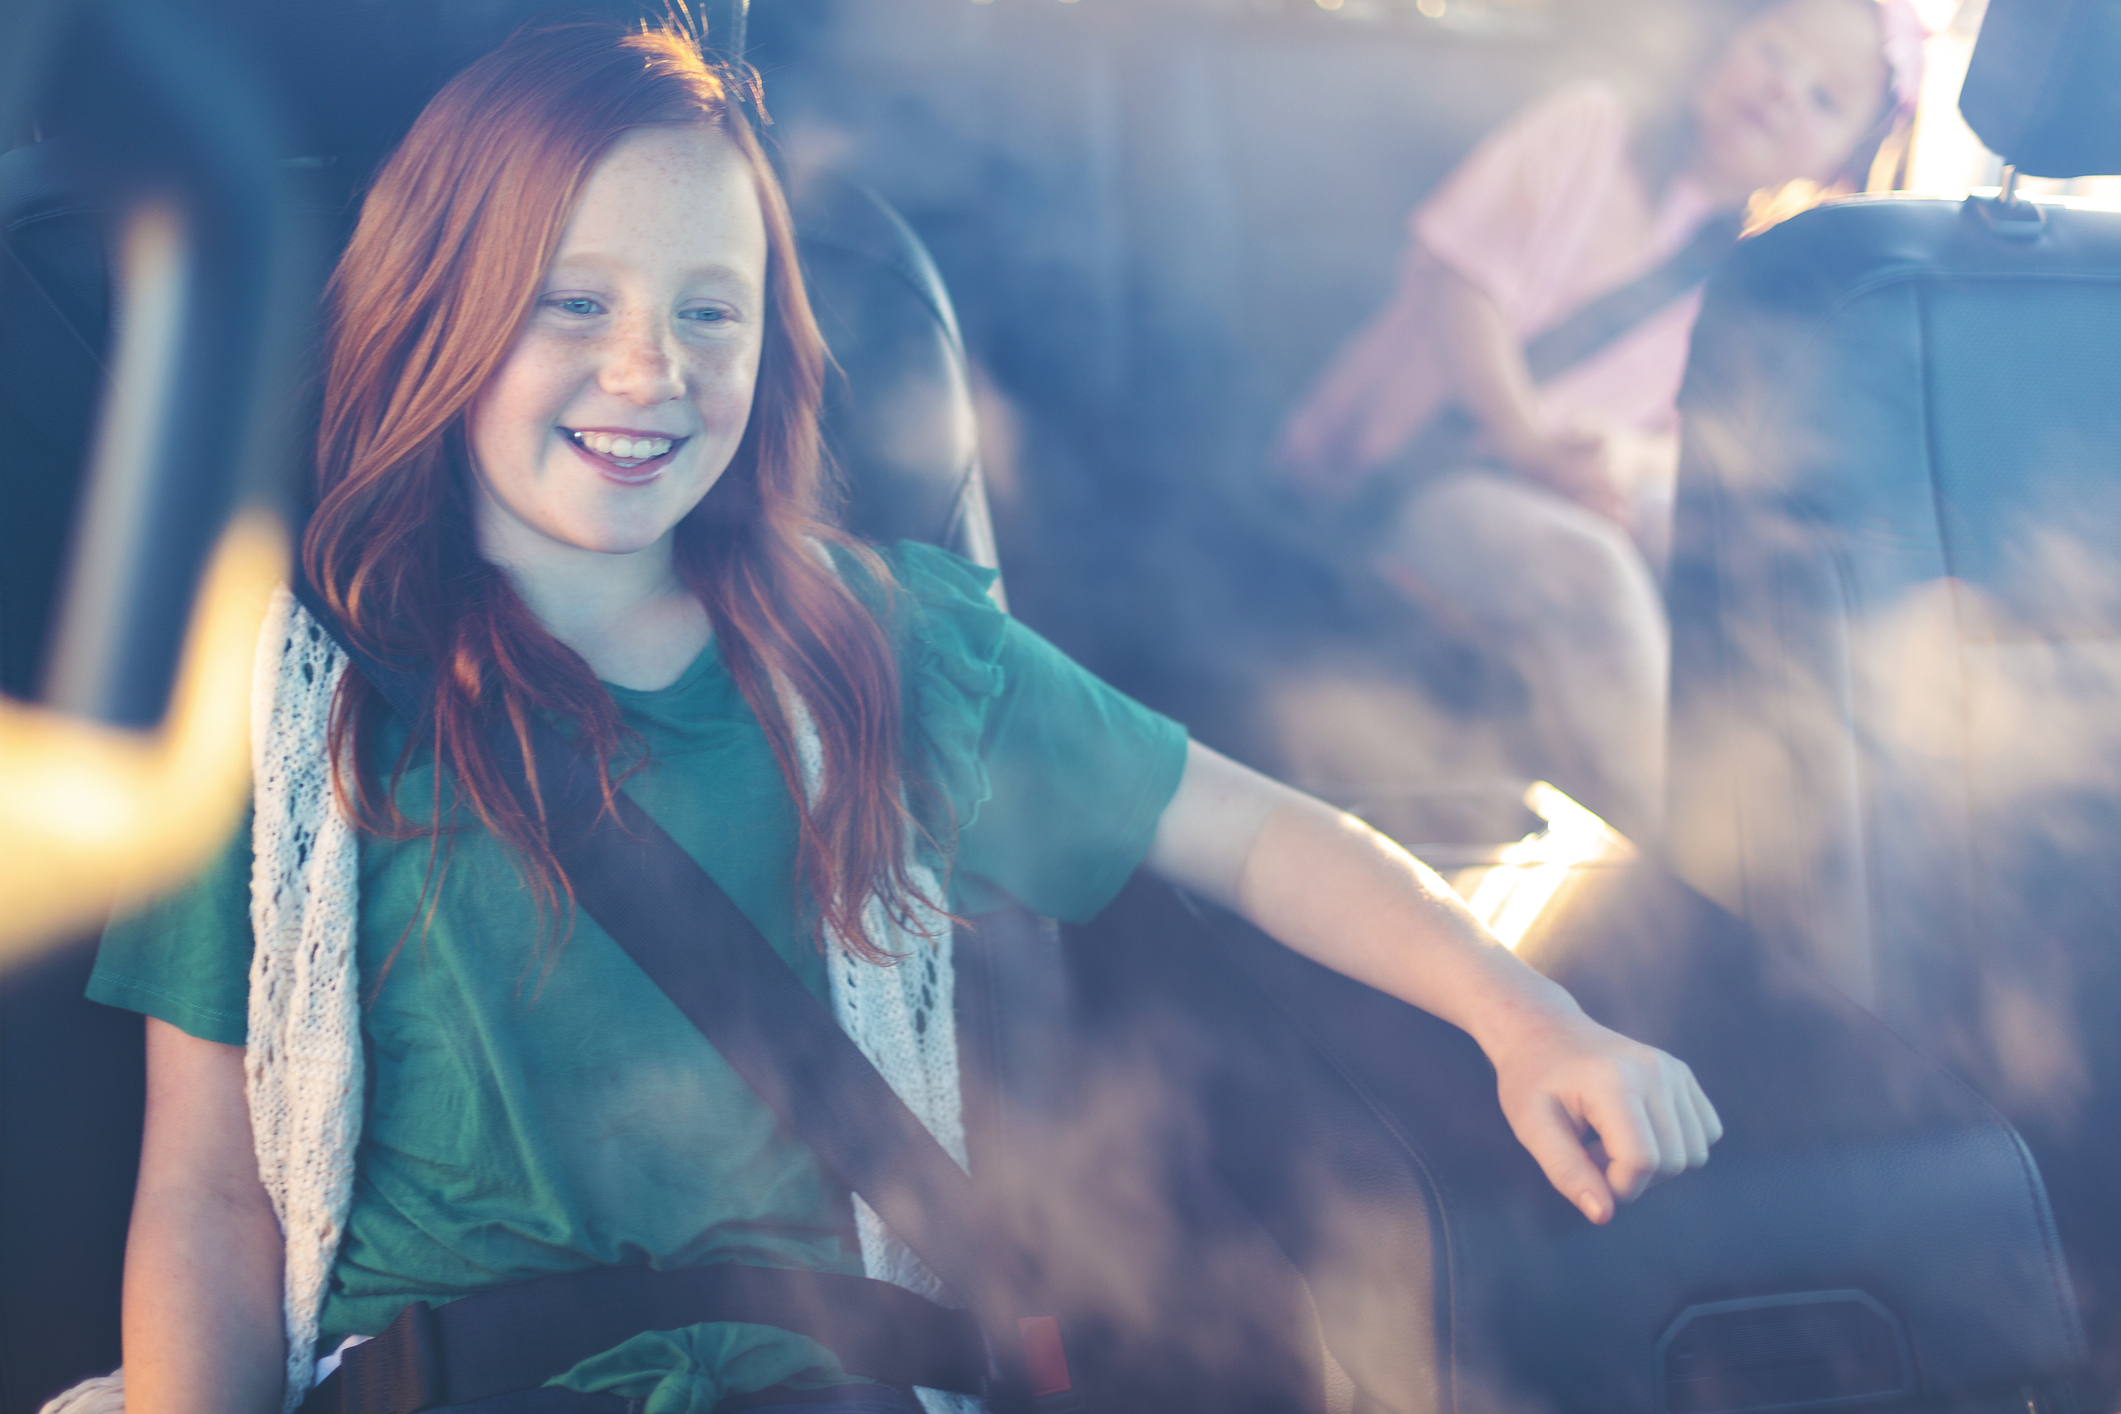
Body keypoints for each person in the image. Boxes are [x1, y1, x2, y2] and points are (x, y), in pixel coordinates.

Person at [69, 19, 1720, 1414]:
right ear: (437, 310)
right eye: (572, 304)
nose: (651, 368)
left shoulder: (878, 648)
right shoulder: (284, 713)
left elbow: (1252, 829)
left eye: (706, 310)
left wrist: (1523, 1015)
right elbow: (207, 1191)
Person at [1274, 0, 1924, 842]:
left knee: (1743, 550)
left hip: (1564, 486)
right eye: (1775, 49)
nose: (1782, 91)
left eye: (1824, 98)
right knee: (1592, 573)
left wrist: (1625, 458)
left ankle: (1804, 830)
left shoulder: (1753, 268)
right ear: (1726, 37)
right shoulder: (1589, 126)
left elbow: (1696, 444)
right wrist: (1524, 439)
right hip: (1418, 470)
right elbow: (1458, 284)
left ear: (1847, 157)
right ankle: (1669, 856)